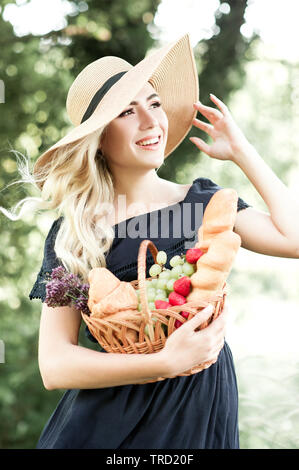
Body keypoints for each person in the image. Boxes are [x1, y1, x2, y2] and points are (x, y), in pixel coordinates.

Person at [4, 32, 298, 449]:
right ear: (99, 139)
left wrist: (242, 151)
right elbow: (55, 366)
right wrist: (163, 362)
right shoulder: (75, 234)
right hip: (107, 429)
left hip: (199, 409)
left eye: (154, 104)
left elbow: (295, 239)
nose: (151, 121)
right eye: (127, 112)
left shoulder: (204, 204)